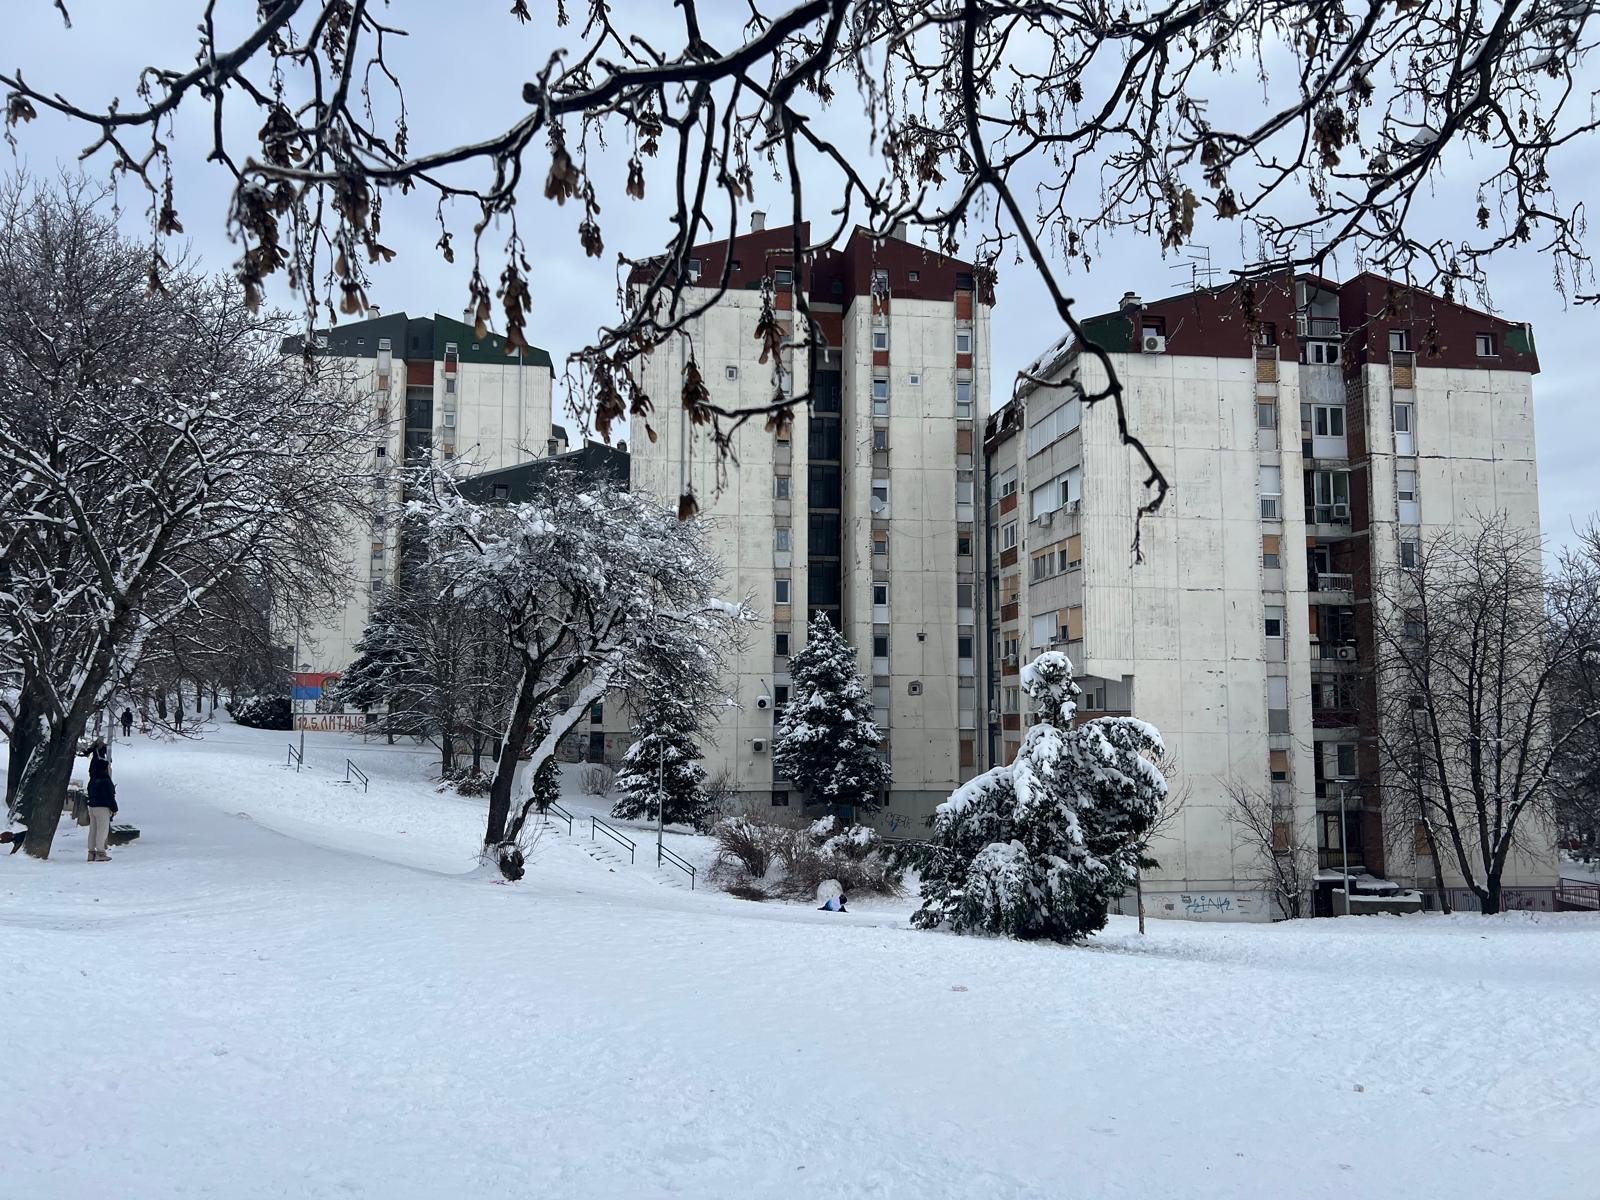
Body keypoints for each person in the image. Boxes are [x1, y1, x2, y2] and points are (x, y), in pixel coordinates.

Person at [86, 750, 118, 863]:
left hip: (92, 806)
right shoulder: (105, 780)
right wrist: (114, 808)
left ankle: (91, 852)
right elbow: (110, 796)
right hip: (103, 807)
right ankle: (100, 852)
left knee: (93, 830)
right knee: (102, 830)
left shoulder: (92, 780)